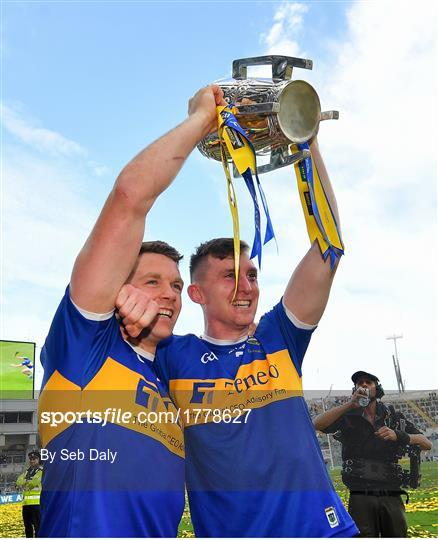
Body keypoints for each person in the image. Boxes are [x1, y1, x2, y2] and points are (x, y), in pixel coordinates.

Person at [117, 138, 359, 536]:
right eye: (230, 276)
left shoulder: (278, 335)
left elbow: (328, 248)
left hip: (321, 529)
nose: (246, 286)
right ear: (196, 293)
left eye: (251, 275)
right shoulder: (172, 354)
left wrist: (307, 143)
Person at [38, 84, 227, 537]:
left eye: (178, 286)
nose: (170, 294)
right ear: (116, 288)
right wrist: (202, 119)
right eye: (152, 281)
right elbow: (129, 199)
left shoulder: (168, 378)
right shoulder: (84, 349)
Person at [314, 371, 432, 537]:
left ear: (377, 388)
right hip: (360, 493)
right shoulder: (348, 416)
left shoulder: (393, 416)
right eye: (359, 383)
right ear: (354, 389)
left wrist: (398, 435)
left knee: (397, 535)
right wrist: (350, 404)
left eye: (368, 382)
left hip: (391, 492)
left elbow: (426, 443)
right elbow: (316, 424)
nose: (363, 385)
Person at [16, 451, 43, 537]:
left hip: (36, 504)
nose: (32, 461)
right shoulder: (27, 471)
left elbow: (34, 482)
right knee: (27, 528)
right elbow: (18, 482)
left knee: (37, 527)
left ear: (38, 459)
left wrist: (25, 482)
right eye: (31, 459)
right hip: (26, 504)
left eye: (34, 459)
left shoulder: (41, 471)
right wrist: (27, 481)